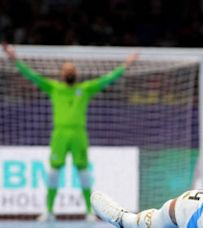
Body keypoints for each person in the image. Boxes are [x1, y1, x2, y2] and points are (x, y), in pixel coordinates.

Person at [1, 43, 139, 221]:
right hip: (59, 135)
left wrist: (126, 65)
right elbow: (31, 75)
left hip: (78, 135)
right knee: (53, 173)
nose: (69, 72)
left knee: (83, 173)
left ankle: (89, 211)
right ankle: (49, 211)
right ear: (62, 74)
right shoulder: (53, 87)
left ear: (75, 74)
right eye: (66, 69)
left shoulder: (86, 88)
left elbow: (108, 79)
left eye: (71, 69)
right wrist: (14, 59)